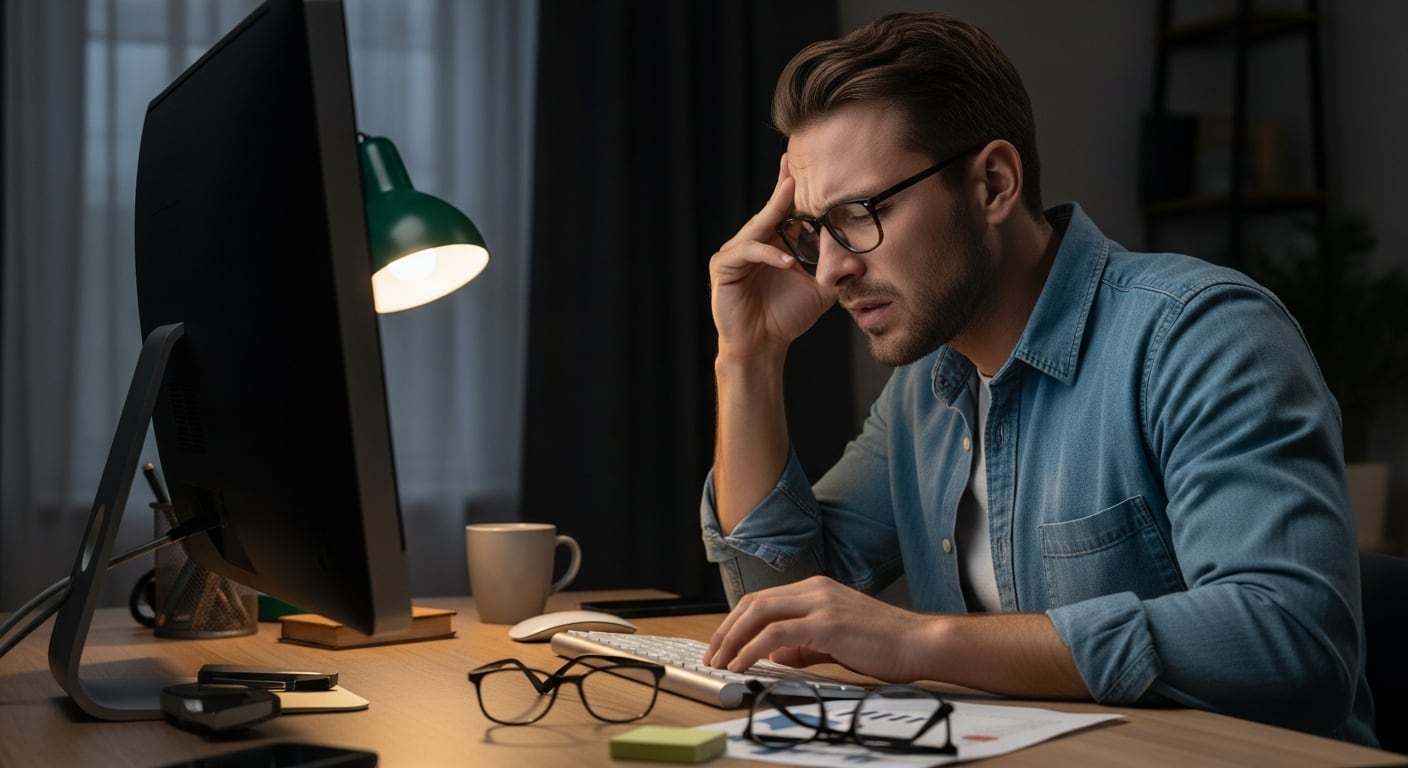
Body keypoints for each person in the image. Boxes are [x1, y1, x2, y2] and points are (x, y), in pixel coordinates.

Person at [699, 12, 1376, 746]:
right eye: (813, 230)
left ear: (993, 182)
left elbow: (1291, 640)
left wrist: (918, 642)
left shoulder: (1202, 335)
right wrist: (749, 357)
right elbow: (779, 616)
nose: (831, 270)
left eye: (861, 213)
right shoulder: (926, 390)